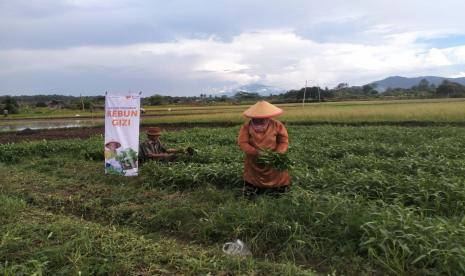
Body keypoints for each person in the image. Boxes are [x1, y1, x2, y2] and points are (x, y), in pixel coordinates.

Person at [237, 101, 290, 196]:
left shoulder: (277, 125)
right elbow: (242, 143)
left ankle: (278, 191)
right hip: (254, 159)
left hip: (273, 159)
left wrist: (277, 153)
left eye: (263, 118)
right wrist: (256, 152)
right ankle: (253, 191)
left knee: (277, 176)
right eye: (257, 118)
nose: (260, 120)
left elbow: (283, 141)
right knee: (252, 180)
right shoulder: (247, 127)